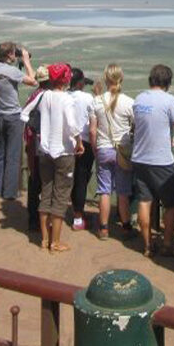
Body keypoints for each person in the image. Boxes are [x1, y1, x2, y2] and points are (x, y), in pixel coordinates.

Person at [131, 64, 174, 257]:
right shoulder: (169, 101)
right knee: (173, 203)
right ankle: (167, 243)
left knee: (144, 201)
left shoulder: (139, 99)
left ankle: (147, 245)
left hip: (139, 158)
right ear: (168, 82)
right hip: (161, 161)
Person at [36, 62, 83, 253]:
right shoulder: (66, 99)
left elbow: (26, 113)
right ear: (65, 78)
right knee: (61, 195)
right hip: (63, 151)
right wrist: (79, 141)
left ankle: (44, 239)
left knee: (46, 191)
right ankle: (55, 242)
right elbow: (72, 125)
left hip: (45, 150)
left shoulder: (44, 95)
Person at [0, 42, 37, 200]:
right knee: (13, 155)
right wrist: (27, 60)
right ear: (9, 55)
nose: (16, 55)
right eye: (14, 53)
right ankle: (9, 192)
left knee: (1, 154)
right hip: (13, 117)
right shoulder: (12, 71)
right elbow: (33, 81)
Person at [92, 64, 135, 240]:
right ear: (121, 79)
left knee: (104, 190)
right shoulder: (130, 102)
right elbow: (136, 127)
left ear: (106, 79)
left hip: (103, 148)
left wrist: (95, 150)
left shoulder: (96, 101)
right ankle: (125, 227)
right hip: (122, 151)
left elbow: (93, 130)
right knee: (123, 191)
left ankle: (103, 228)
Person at [19, 66, 51, 230]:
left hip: (32, 143)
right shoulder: (48, 97)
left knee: (34, 179)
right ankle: (43, 218)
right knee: (45, 181)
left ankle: (33, 217)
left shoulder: (34, 96)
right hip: (44, 144)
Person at [68, 67, 97, 230]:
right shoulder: (87, 98)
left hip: (66, 142)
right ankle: (78, 217)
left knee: (66, 178)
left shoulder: (63, 96)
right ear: (80, 83)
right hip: (84, 142)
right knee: (81, 179)